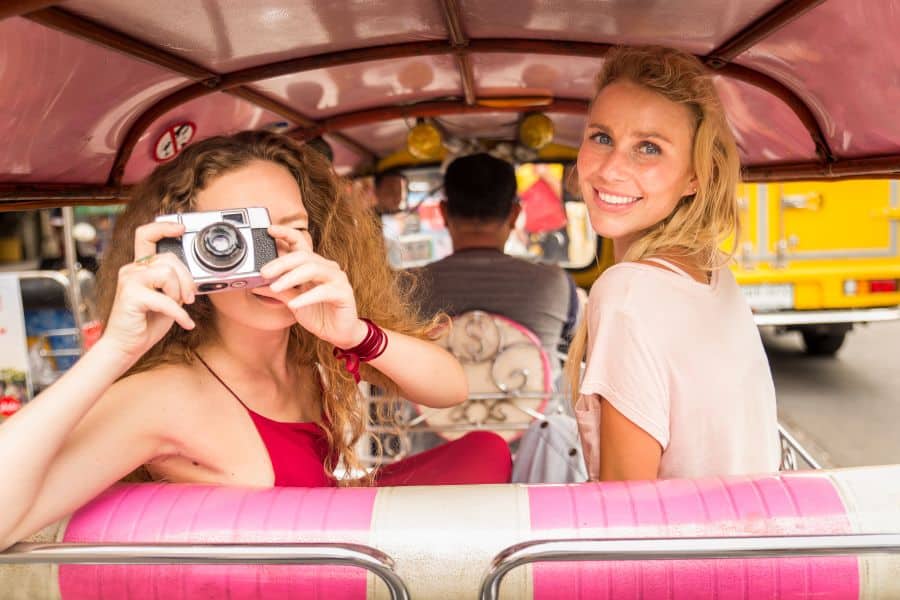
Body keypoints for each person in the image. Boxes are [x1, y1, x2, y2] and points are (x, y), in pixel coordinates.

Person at [0, 131, 512, 551]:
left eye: (289, 232)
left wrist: (357, 334)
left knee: (485, 451)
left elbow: (452, 390)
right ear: (183, 250)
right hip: (287, 576)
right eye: (234, 240)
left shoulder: (311, 347)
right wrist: (115, 351)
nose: (269, 265)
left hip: (331, 551)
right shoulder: (168, 394)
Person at [568, 46, 780, 482]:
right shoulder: (713, 274)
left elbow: (626, 514)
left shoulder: (627, 291)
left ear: (695, 176)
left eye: (648, 148)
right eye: (602, 137)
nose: (611, 169)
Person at [417, 152, 579, 364]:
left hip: (433, 399)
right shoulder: (555, 282)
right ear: (514, 215)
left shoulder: (409, 286)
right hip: (536, 399)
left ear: (444, 213)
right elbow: (577, 340)